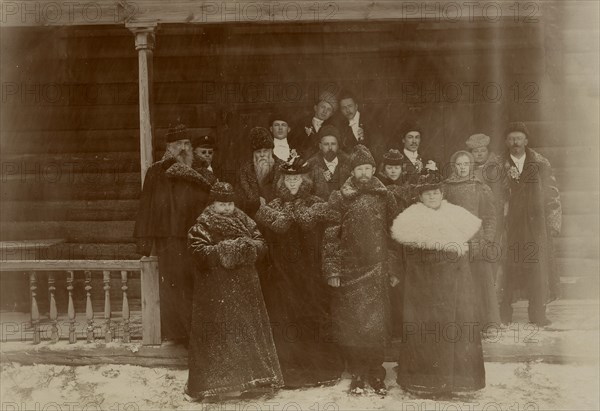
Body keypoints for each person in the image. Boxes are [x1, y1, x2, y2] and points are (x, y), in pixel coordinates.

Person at [186, 182, 284, 401]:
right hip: (216, 293)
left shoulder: (245, 221)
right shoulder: (202, 225)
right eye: (222, 204)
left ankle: (255, 383)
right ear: (212, 204)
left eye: (229, 203)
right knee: (219, 337)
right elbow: (198, 252)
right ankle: (215, 387)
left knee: (249, 335)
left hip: (246, 290)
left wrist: (248, 247)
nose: (227, 208)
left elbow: (261, 244)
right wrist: (229, 249)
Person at [391, 171, 486, 395]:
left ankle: (459, 382)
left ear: (442, 194)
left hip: (455, 284)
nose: (432, 196)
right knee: (425, 329)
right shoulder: (409, 218)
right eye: (427, 193)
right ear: (420, 197)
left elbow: (475, 243)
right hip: (423, 286)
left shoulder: (457, 214)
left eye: (436, 192)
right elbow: (405, 255)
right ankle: (423, 382)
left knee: (456, 327)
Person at [255, 152, 344, 388]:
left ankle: (320, 370)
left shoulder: (316, 204)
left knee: (312, 318)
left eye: (297, 179)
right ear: (281, 182)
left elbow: (332, 229)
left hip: (310, 274)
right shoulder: (273, 207)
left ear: (305, 180)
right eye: (288, 180)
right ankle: (290, 371)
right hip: (283, 277)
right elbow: (263, 234)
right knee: (286, 320)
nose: (292, 183)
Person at [322, 144, 399, 395]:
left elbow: (393, 234)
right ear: (352, 171)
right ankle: (357, 372)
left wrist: (393, 268)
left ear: (374, 169)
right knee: (353, 324)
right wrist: (333, 270)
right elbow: (331, 234)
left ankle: (376, 373)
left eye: (368, 168)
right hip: (350, 271)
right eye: (359, 169)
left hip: (377, 269)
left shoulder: (384, 195)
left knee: (376, 325)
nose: (364, 173)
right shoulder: (340, 197)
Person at [133, 123, 213, 345]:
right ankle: (178, 334)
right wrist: (144, 241)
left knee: (195, 283)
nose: (184, 148)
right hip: (168, 237)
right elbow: (146, 206)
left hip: (196, 234)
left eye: (187, 143)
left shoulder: (200, 171)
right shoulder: (156, 172)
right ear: (169, 147)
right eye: (179, 144)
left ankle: (197, 333)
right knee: (174, 285)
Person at [499, 122, 562, 326]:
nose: (515, 142)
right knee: (508, 268)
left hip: (535, 225)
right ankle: (504, 313)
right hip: (510, 225)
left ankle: (538, 313)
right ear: (506, 142)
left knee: (537, 268)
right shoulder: (500, 164)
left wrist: (552, 223)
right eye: (511, 138)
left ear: (526, 140)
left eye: (519, 138)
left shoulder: (540, 163)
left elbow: (552, 193)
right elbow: (494, 194)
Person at [444, 150, 501, 329]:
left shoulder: (480, 187)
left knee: (481, 282)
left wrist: (487, 239)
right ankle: (464, 323)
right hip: (456, 242)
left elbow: (490, 216)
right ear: (454, 166)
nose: (462, 168)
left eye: (466, 164)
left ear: (471, 166)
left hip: (478, 242)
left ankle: (488, 323)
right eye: (459, 164)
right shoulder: (446, 187)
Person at [236, 126, 283, 218]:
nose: (262, 155)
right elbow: (239, 199)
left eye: (265, 151)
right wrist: (255, 202)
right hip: (253, 217)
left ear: (271, 151)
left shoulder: (283, 168)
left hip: (279, 216)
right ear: (253, 153)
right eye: (258, 152)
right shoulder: (245, 171)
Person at [306, 125, 352, 201]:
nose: (330, 148)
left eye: (333, 144)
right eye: (326, 144)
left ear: (338, 146)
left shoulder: (349, 163)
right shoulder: (311, 165)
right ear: (320, 146)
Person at [290, 91, 338, 159]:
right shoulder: (301, 123)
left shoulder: (332, 128)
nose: (325, 111)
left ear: (331, 114)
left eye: (329, 109)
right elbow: (292, 143)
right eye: (322, 107)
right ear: (315, 108)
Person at [337, 89, 382, 158]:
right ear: (341, 110)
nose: (347, 110)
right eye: (344, 108)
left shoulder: (370, 120)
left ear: (356, 106)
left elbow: (378, 146)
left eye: (350, 106)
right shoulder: (341, 126)